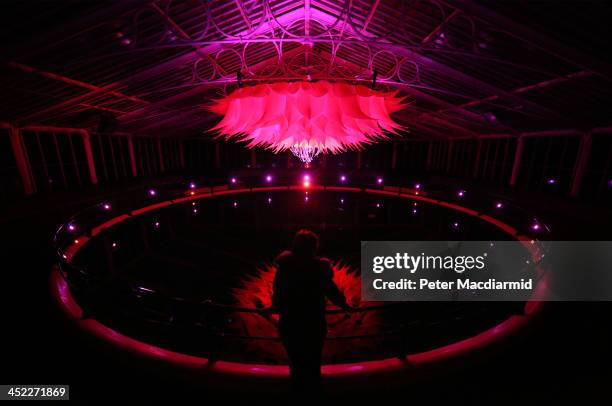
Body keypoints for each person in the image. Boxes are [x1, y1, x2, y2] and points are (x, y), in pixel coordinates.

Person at [268, 229, 351, 393]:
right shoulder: (319, 269)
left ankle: (297, 393)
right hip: (314, 322)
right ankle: (313, 394)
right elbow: (332, 291)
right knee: (313, 362)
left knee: (295, 362)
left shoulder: (285, 268)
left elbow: (278, 294)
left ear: (295, 245)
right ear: (314, 247)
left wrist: (273, 308)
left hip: (290, 323)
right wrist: (344, 305)